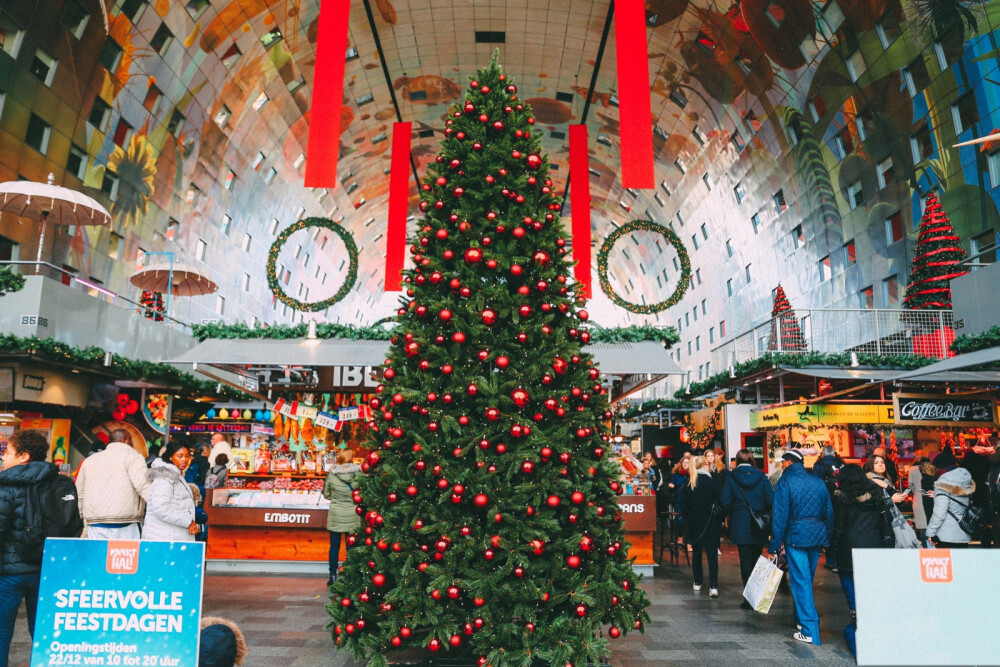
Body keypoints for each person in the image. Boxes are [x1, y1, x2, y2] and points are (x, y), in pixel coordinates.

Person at [0, 430, 80, 667]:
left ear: (24, 456)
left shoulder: (5, 485)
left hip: (9, 574)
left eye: (8, 451)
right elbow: (73, 527)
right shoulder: (63, 483)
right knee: (44, 635)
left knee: (2, 634)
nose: (3, 456)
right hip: (49, 572)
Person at [770, 449, 834, 645]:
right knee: (807, 579)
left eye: (782, 462)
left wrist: (773, 544)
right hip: (817, 536)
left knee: (800, 581)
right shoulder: (817, 480)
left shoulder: (785, 481)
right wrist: (827, 538)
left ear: (789, 462)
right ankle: (800, 621)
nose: (781, 465)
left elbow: (779, 517)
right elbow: (829, 512)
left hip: (796, 536)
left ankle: (809, 629)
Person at [830, 464, 893, 619]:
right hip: (872, 544)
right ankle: (869, 609)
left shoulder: (842, 497)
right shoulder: (875, 493)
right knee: (868, 579)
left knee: (847, 575)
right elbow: (884, 520)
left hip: (848, 545)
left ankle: (854, 609)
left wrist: (833, 545)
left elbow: (838, 525)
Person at [76, 428, 151, 540]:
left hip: (95, 525)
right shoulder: (133, 457)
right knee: (125, 557)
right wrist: (160, 506)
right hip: (127, 524)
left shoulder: (89, 461)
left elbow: (79, 493)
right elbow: (144, 486)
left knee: (100, 556)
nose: (132, 444)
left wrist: (81, 520)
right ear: (124, 440)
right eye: (131, 440)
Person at [721, 449, 773, 603]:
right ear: (752, 460)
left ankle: (749, 597)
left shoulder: (731, 477)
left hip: (740, 521)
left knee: (745, 560)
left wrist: (736, 509)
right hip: (759, 522)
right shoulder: (761, 477)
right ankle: (756, 594)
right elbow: (770, 500)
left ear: (737, 460)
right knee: (757, 557)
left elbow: (725, 501)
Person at [682, 455, 722, 597]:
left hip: (695, 524)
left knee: (697, 554)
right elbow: (721, 502)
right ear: (706, 466)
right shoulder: (712, 482)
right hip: (711, 523)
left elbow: (683, 506)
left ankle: (698, 582)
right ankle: (713, 586)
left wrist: (689, 519)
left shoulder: (690, 483)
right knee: (712, 556)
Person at [144, 441, 198, 542]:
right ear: (170, 457)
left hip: (170, 535)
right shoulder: (165, 477)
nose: (184, 460)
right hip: (164, 538)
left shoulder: (175, 475)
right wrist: (188, 522)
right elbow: (161, 508)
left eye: (187, 456)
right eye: (180, 456)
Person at [322, 447, 360, 585]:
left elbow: (326, 494)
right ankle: (350, 576)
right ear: (351, 458)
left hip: (336, 513)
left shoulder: (332, 474)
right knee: (351, 547)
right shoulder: (358, 475)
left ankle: (332, 575)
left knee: (334, 547)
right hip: (352, 514)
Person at [926, 466, 976, 548]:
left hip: (945, 536)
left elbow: (939, 514)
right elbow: (956, 502)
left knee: (948, 560)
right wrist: (936, 495)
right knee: (961, 560)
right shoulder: (966, 486)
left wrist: (931, 533)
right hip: (963, 532)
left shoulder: (942, 488)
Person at [812, 445, 844, 571]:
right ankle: (838, 558)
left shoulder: (818, 466)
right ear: (834, 454)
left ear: (823, 454)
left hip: (825, 501)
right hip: (841, 501)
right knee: (840, 528)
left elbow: (815, 485)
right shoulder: (842, 465)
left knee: (828, 529)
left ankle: (830, 559)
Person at [909, 450, 930, 543]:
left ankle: (925, 548)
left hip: (918, 499)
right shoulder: (930, 468)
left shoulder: (912, 469)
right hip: (929, 498)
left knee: (922, 526)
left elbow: (910, 484)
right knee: (930, 524)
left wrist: (916, 492)